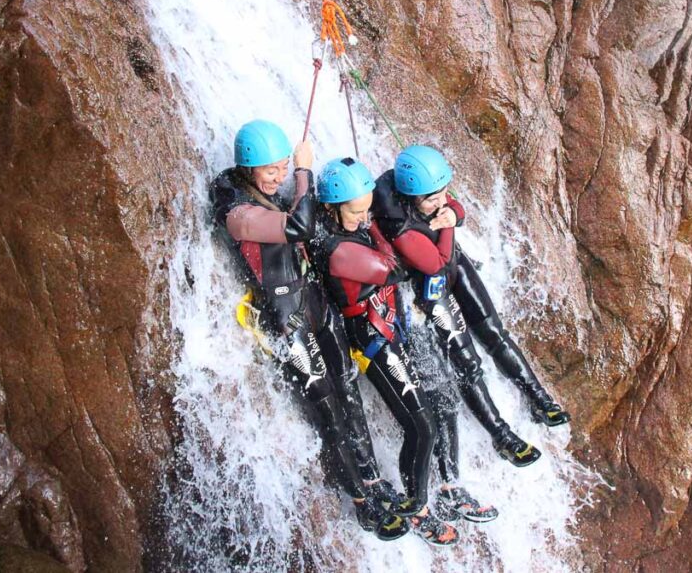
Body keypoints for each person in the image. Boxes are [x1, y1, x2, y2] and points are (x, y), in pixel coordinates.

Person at [210, 120, 407, 541]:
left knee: (348, 389)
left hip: (314, 302)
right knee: (327, 407)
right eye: (271, 170)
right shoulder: (239, 212)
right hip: (285, 319)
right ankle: (358, 499)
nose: (278, 175)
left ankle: (371, 479)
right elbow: (297, 227)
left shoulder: (263, 191)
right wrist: (304, 172)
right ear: (247, 167)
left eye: (282, 167)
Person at [313, 157, 499, 545]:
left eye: (368, 209)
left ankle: (445, 490)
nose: (365, 218)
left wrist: (406, 223)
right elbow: (394, 267)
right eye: (356, 212)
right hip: (371, 338)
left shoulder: (354, 226)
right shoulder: (337, 249)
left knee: (441, 403)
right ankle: (417, 508)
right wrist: (402, 229)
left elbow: (394, 243)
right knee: (421, 425)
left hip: (393, 325)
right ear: (332, 209)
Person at [373, 145, 571, 462]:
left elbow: (453, 207)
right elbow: (435, 263)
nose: (440, 201)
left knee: (494, 332)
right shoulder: (399, 225)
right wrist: (450, 221)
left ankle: (539, 399)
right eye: (431, 198)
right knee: (468, 364)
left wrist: (454, 212)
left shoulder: (424, 194)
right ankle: (501, 436)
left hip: (453, 263)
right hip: (427, 286)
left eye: (442, 192)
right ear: (412, 197)